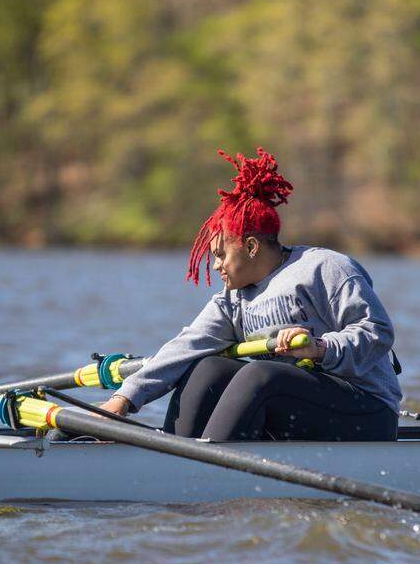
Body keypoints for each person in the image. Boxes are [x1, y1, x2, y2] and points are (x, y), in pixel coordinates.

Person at [99, 147, 402, 441]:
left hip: (368, 410)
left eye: (220, 255)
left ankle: (204, 471)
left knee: (259, 375)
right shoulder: (233, 299)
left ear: (252, 247)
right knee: (208, 368)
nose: (216, 265)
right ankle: (175, 455)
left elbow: (377, 332)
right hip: (301, 406)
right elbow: (183, 348)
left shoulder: (325, 268)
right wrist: (123, 399)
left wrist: (320, 348)